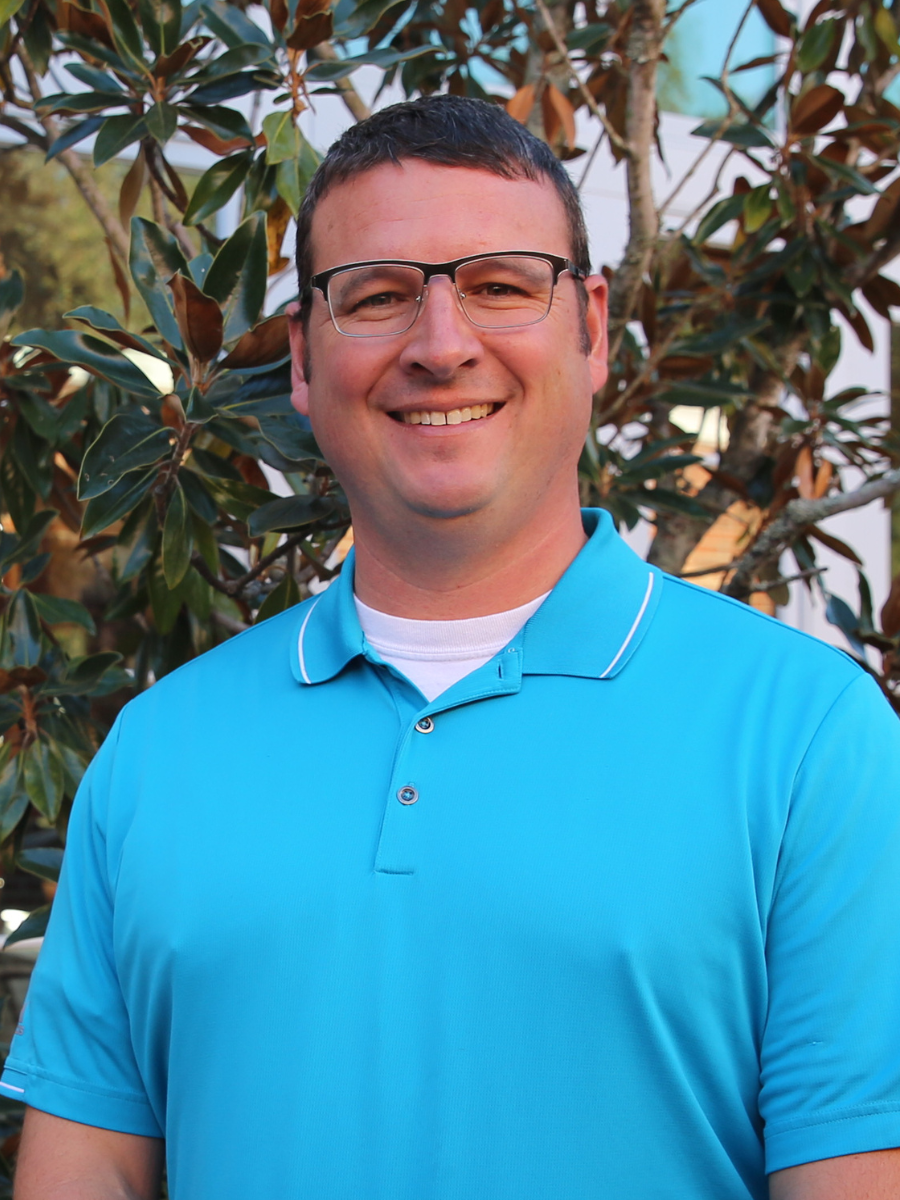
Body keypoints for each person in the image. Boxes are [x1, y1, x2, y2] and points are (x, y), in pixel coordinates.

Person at [5, 95, 900, 1200]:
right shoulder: (158, 751)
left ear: (591, 329)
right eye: (377, 295)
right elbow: (88, 1166)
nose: (441, 345)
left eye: (502, 286)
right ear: (301, 359)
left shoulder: (809, 738)